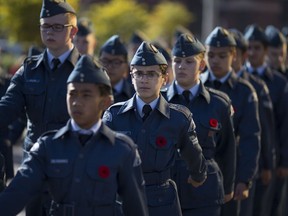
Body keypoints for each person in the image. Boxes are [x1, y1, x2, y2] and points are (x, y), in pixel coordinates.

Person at [0, 55, 149, 216]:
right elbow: (15, 195)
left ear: (105, 102)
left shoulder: (121, 150)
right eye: (72, 94)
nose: (77, 102)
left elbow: (136, 209)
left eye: (86, 95)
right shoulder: (48, 147)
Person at [102, 41, 207, 216]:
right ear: (131, 76)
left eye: (151, 74)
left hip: (162, 201)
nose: (144, 80)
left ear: (164, 78)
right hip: (123, 199)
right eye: (139, 74)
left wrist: (198, 176)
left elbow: (194, 156)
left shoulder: (178, 118)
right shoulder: (114, 116)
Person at [0, 0, 81, 215]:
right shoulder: (29, 70)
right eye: (45, 26)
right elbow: (6, 109)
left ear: (73, 31)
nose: (49, 32)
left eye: (57, 27)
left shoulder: (87, 73)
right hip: (35, 165)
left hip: (73, 168)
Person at [165, 33, 236, 216]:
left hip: (205, 192)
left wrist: (228, 187)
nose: (181, 66)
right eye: (177, 60)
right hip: (167, 191)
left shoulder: (218, 103)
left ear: (202, 65)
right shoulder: (160, 101)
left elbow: (227, 148)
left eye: (189, 61)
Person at [200, 26, 261, 216]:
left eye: (222, 55)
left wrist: (244, 179)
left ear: (233, 55)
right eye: (211, 55)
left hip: (230, 173)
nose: (215, 60)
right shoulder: (197, 87)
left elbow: (251, 137)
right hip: (198, 172)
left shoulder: (244, 91)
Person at [230, 28, 275, 216]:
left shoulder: (254, 87)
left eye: (234, 54)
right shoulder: (209, 85)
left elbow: (264, 129)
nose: (230, 60)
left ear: (242, 55)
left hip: (247, 164)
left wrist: (267, 164)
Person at [244, 24, 288, 216]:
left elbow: (284, 125)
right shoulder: (240, 80)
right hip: (245, 161)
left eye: (257, 48)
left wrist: (283, 161)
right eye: (249, 48)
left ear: (265, 50)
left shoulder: (278, 82)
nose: (252, 53)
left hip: (271, 159)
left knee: (269, 208)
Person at [99, 35, 134, 103]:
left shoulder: (135, 95)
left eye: (116, 62)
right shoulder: (91, 92)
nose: (110, 66)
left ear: (126, 66)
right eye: (105, 61)